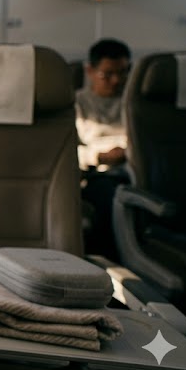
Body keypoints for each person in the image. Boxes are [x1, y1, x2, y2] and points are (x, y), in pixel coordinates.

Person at [75, 38, 132, 258]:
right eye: (107, 74)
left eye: (123, 73)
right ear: (89, 71)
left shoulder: (134, 102)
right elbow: (66, 151)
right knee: (110, 198)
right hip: (97, 174)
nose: (116, 80)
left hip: (134, 171)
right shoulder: (77, 104)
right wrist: (97, 157)